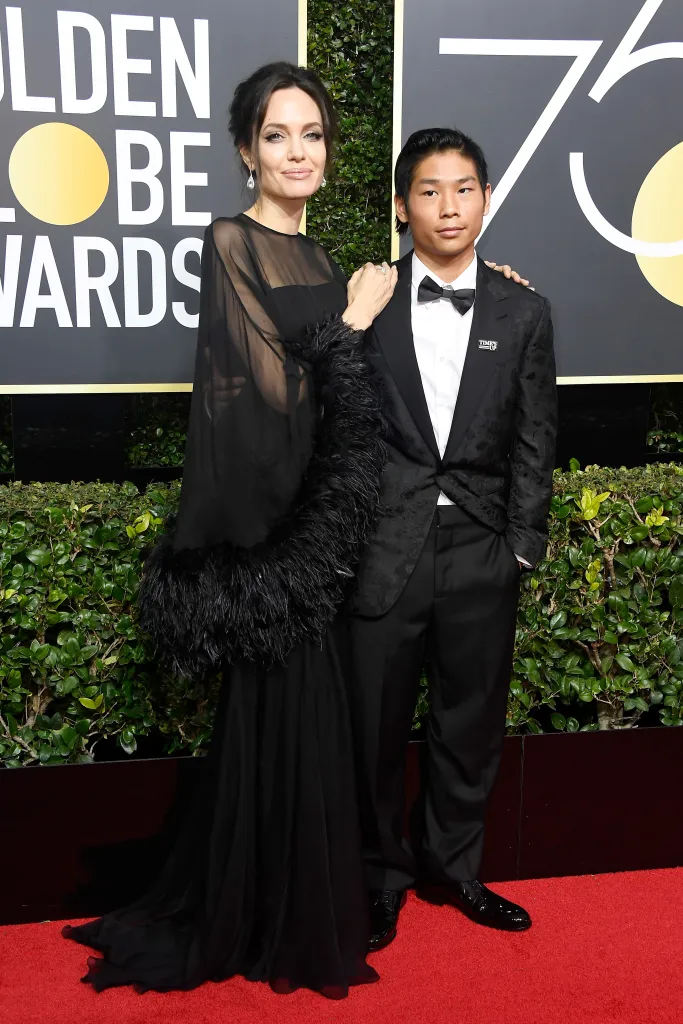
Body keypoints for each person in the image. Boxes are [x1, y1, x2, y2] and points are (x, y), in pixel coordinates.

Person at [63, 61, 398, 999]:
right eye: (277, 135)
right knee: (277, 713)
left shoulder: (320, 258)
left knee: (314, 718)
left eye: (312, 135)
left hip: (320, 522)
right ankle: (258, 916)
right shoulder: (231, 241)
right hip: (271, 529)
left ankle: (294, 905)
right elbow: (269, 393)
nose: (298, 152)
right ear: (246, 150)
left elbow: (337, 397)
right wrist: (352, 323)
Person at [348, 128, 558, 951]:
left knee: (469, 721)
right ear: (403, 206)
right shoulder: (365, 298)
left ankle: (456, 867)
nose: (448, 206)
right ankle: (380, 878)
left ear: (487, 199)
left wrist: (521, 544)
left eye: (463, 188)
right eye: (429, 191)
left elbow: (535, 436)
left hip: (480, 545)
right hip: (383, 546)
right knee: (373, 726)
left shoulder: (523, 309)